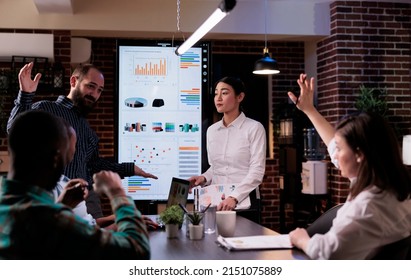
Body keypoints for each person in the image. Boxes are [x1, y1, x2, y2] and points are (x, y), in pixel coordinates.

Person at [7, 62, 157, 220]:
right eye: (91, 86)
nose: (94, 94)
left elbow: (93, 165)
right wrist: (25, 95)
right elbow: (16, 131)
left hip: (87, 200)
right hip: (54, 200)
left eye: (99, 90)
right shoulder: (47, 109)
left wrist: (129, 169)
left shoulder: (87, 130)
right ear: (73, 82)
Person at [287, 74, 411, 259]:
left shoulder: (369, 205)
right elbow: (333, 146)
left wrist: (302, 239)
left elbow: (330, 253)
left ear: (360, 154)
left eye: (339, 149)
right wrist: (309, 110)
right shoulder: (389, 184)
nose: (334, 156)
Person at [0, 110, 150, 259]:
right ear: (56, 159)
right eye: (68, 158)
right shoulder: (51, 221)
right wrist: (117, 192)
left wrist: (62, 206)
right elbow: (137, 251)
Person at [188, 77, 266, 211]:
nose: (218, 98)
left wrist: (234, 197)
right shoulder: (212, 131)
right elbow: (216, 167)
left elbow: (257, 171)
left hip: (245, 202)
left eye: (224, 93)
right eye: (216, 93)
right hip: (217, 201)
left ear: (240, 97)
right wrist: (203, 178)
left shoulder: (254, 128)